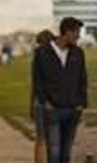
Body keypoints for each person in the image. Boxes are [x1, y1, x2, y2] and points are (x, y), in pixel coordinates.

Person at [32, 17, 88, 163]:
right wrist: (45, 102)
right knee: (54, 153)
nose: (79, 36)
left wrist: (82, 103)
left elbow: (82, 79)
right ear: (67, 32)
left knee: (66, 153)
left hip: (73, 109)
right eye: (77, 33)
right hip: (53, 111)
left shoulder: (78, 53)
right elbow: (38, 80)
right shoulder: (42, 52)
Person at [30, 30, 56, 163]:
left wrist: (30, 107)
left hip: (39, 103)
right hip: (52, 103)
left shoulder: (36, 57)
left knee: (40, 140)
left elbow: (34, 85)